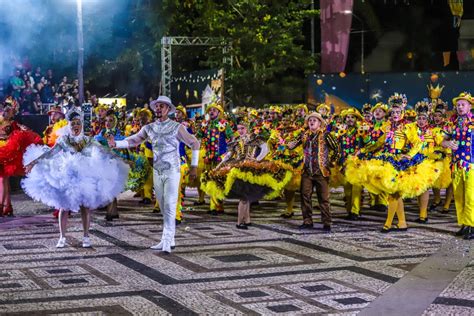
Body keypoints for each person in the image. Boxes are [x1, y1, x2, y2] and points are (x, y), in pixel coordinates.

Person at [23, 109, 130, 248]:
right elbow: (50, 153)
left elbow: (104, 151)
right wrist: (33, 162)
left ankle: (86, 237)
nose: (75, 126)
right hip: (67, 176)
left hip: (85, 176)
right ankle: (62, 237)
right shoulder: (64, 140)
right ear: (69, 125)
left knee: (85, 207)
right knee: (63, 206)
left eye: (78, 123)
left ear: (81, 125)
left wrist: (120, 158)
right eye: (73, 123)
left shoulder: (88, 140)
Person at [108, 96, 200, 253]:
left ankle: (167, 242)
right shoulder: (149, 128)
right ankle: (167, 239)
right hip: (158, 171)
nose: (158, 108)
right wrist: (116, 144)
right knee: (163, 206)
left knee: (171, 204)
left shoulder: (177, 127)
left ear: (168, 109)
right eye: (157, 106)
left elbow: (194, 143)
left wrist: (194, 166)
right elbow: (134, 140)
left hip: (173, 170)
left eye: (162, 106)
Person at [201, 118, 291, 229]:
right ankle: (239, 222)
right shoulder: (236, 140)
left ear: (247, 128)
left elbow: (265, 149)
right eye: (238, 128)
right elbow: (229, 155)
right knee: (244, 198)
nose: (240, 131)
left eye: (242, 128)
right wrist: (219, 166)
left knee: (246, 197)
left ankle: (247, 220)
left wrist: (257, 160)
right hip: (238, 169)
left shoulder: (254, 138)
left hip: (250, 168)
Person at [289, 112, 340, 232]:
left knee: (324, 198)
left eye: (314, 120)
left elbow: (337, 149)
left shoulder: (326, 135)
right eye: (310, 120)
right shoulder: (304, 135)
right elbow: (291, 145)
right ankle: (307, 221)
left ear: (320, 123)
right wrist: (285, 144)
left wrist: (331, 162)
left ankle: (326, 222)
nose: (312, 122)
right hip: (307, 171)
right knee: (305, 196)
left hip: (322, 172)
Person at [0, 99, 42, 216]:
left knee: (2, 179)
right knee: (4, 180)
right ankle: (7, 207)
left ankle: (2, 207)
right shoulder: (2, 119)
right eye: (6, 109)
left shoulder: (13, 124)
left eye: (10, 110)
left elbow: (25, 133)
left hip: (6, 153)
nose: (7, 112)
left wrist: (23, 131)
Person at [442, 92, 474, 239]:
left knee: (471, 196)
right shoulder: (452, 123)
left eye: (463, 104)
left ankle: (472, 225)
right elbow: (442, 140)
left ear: (470, 106)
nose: (460, 107)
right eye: (458, 105)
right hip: (456, 164)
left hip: (471, 165)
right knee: (459, 196)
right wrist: (447, 143)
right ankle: (464, 224)